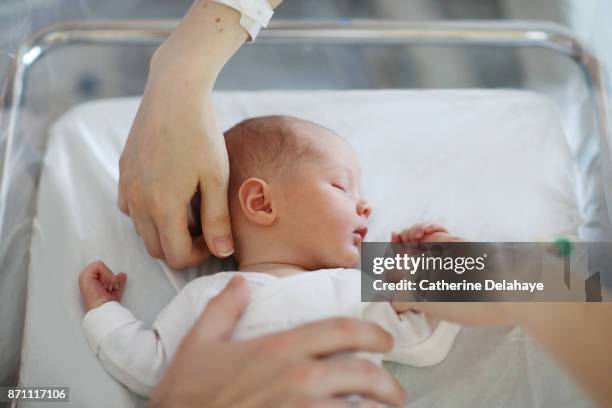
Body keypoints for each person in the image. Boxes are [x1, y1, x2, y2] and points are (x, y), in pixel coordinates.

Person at [81, 115, 461, 401]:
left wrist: (440, 262)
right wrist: (104, 311)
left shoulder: (354, 287)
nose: (367, 206)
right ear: (261, 203)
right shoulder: (209, 297)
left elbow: (423, 341)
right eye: (342, 186)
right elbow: (154, 366)